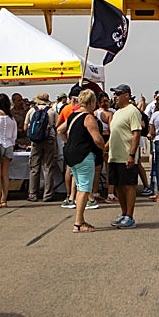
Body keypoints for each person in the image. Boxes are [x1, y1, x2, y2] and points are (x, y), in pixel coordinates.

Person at [58, 89, 106, 232]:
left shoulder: (73, 115)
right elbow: (97, 139)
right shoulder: (88, 117)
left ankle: (80, 220)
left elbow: (60, 129)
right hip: (84, 154)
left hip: (71, 154)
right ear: (91, 102)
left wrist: (69, 142)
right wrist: (104, 148)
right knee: (85, 188)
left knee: (80, 187)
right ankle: (79, 222)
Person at [106, 85, 145, 228]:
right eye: (114, 94)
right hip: (114, 156)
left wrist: (132, 155)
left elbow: (136, 134)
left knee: (128, 186)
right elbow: (113, 135)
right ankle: (123, 213)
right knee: (118, 186)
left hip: (126, 155)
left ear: (127, 95)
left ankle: (130, 216)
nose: (115, 96)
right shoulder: (117, 113)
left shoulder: (132, 111)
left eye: (118, 94)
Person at [25, 92, 63, 203]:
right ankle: (48, 194)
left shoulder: (32, 111)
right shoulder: (52, 111)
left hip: (35, 142)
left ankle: (32, 193)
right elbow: (58, 125)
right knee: (48, 167)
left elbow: (25, 126)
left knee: (34, 168)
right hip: (49, 140)